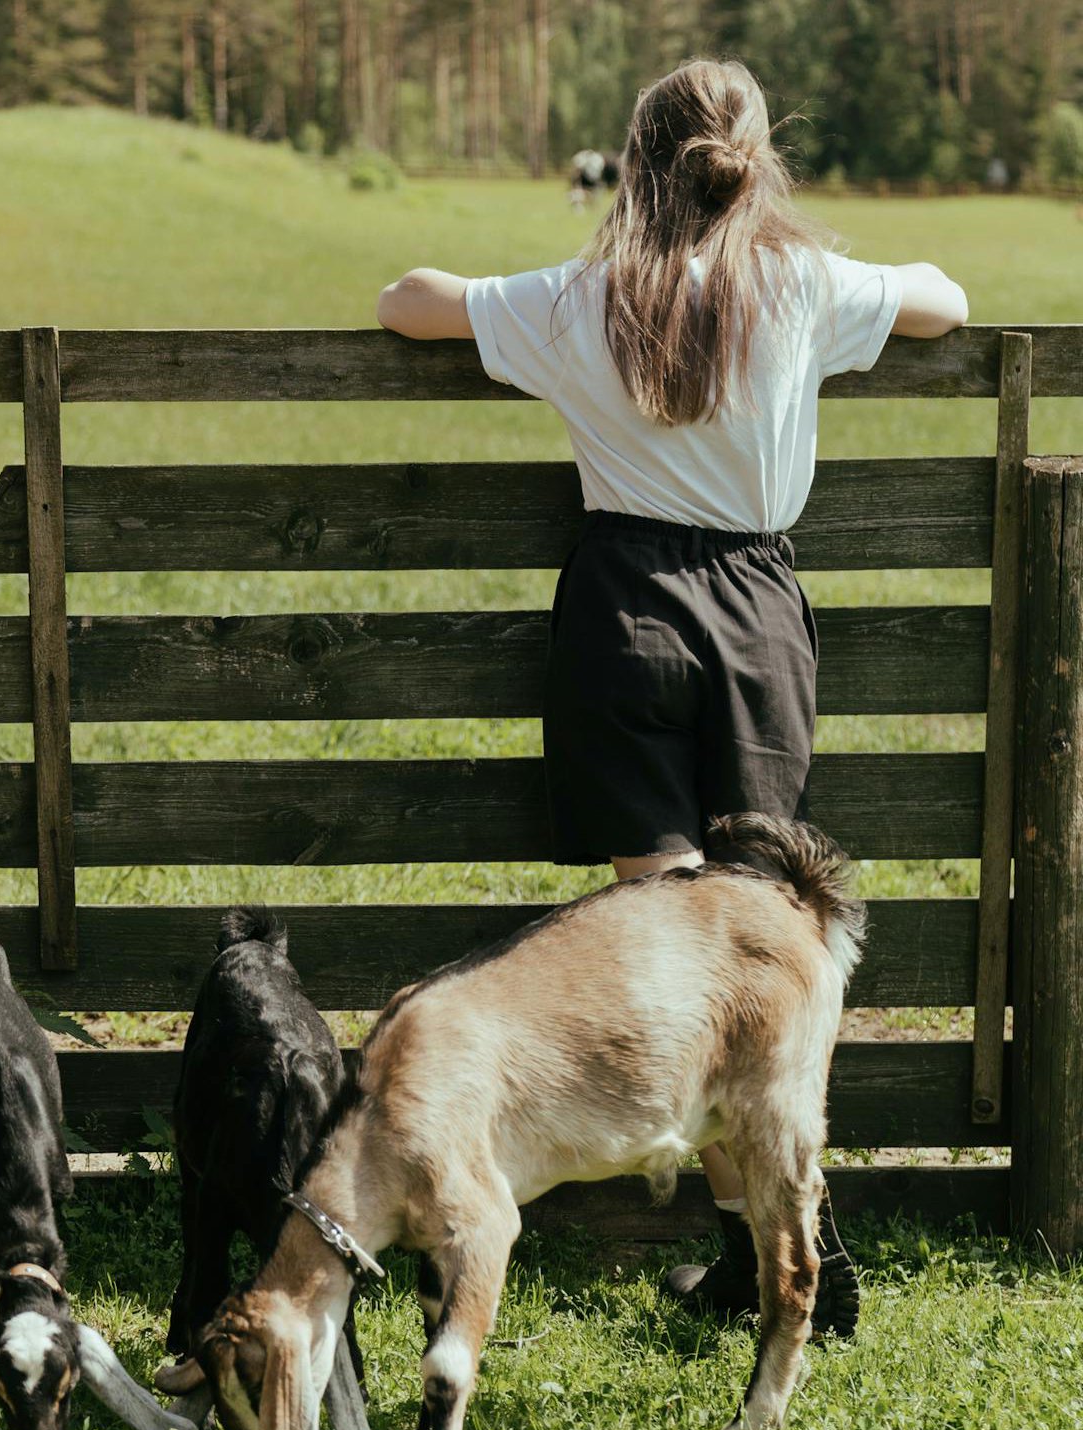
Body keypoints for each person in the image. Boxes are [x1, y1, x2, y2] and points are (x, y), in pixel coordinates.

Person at [374, 58, 968, 1335]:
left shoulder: (588, 296)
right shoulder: (800, 284)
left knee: (664, 938)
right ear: (756, 167)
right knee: (754, 949)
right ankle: (788, 1228)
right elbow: (947, 300)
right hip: (758, 618)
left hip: (626, 613)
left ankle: (741, 1236)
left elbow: (408, 301)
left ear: (638, 164)